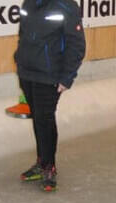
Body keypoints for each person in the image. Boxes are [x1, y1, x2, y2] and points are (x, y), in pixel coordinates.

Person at [14, 0, 86, 191]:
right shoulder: (29, 3)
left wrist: (67, 77)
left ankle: (49, 166)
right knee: (38, 118)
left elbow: (77, 45)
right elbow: (23, 34)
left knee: (45, 118)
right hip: (27, 73)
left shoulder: (67, 6)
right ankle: (41, 161)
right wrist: (19, 61)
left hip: (49, 75)